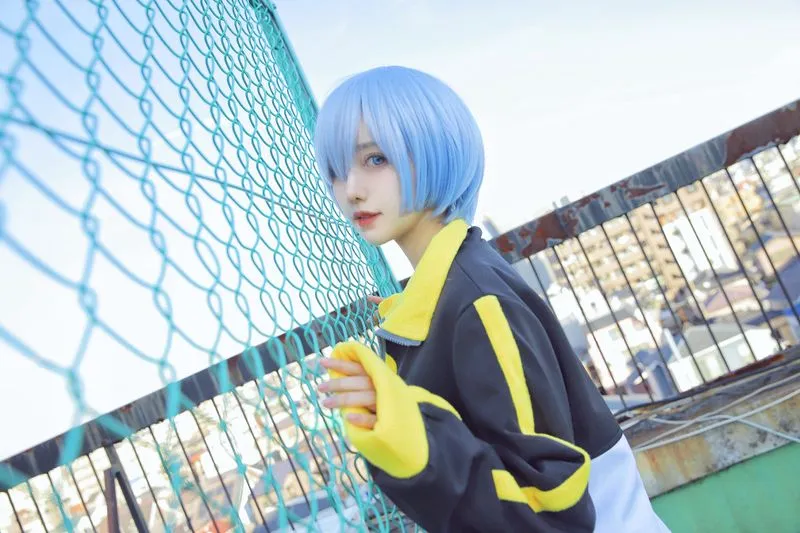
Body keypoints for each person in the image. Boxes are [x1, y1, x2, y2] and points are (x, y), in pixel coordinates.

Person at [313, 65, 670, 533]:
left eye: (375, 159)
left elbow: (552, 509)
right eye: (336, 171)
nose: (351, 190)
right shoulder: (455, 288)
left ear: (435, 147)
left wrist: (409, 432)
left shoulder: (476, 302)